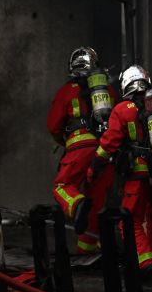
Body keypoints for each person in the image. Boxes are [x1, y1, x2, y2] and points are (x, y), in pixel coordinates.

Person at [91, 65, 152, 279]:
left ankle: (145, 263)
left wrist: (96, 163)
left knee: (130, 220)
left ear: (126, 85)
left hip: (138, 176)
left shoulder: (122, 110)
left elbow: (110, 143)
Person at [47, 47, 116, 254]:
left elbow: (53, 126)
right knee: (95, 203)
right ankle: (86, 250)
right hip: (105, 151)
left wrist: (65, 141)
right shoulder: (109, 92)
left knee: (62, 186)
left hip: (79, 148)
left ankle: (76, 205)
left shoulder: (66, 91)